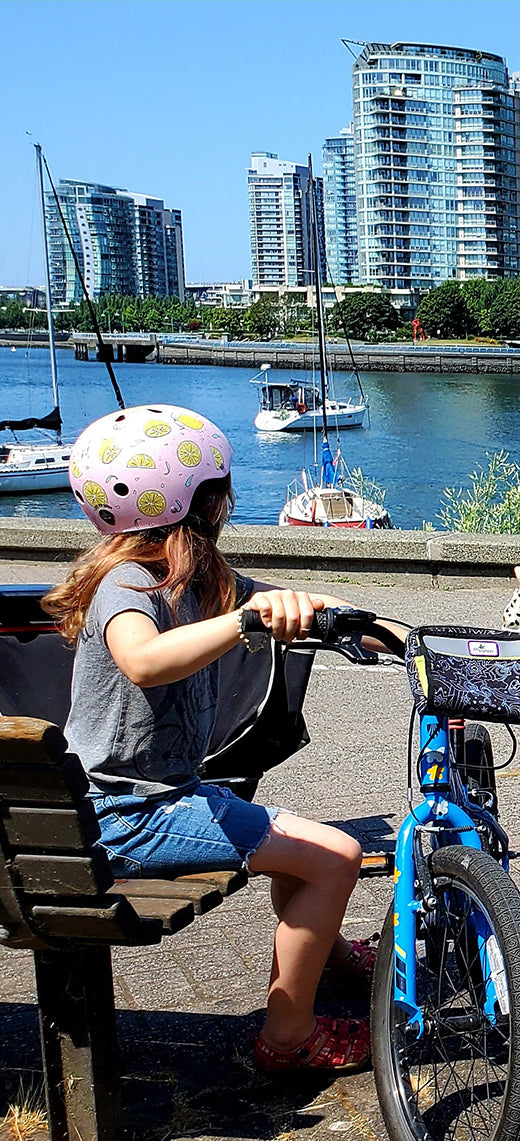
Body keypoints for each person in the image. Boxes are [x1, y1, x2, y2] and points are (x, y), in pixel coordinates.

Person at [45, 404, 390, 1070]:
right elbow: (143, 659)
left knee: (310, 853)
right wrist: (246, 622)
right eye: (220, 490)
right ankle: (288, 1039)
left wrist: (403, 638)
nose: (226, 502)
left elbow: (307, 608)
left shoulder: (201, 581)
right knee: (335, 857)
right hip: (124, 815)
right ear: (199, 503)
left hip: (162, 798)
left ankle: (329, 956)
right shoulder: (128, 583)